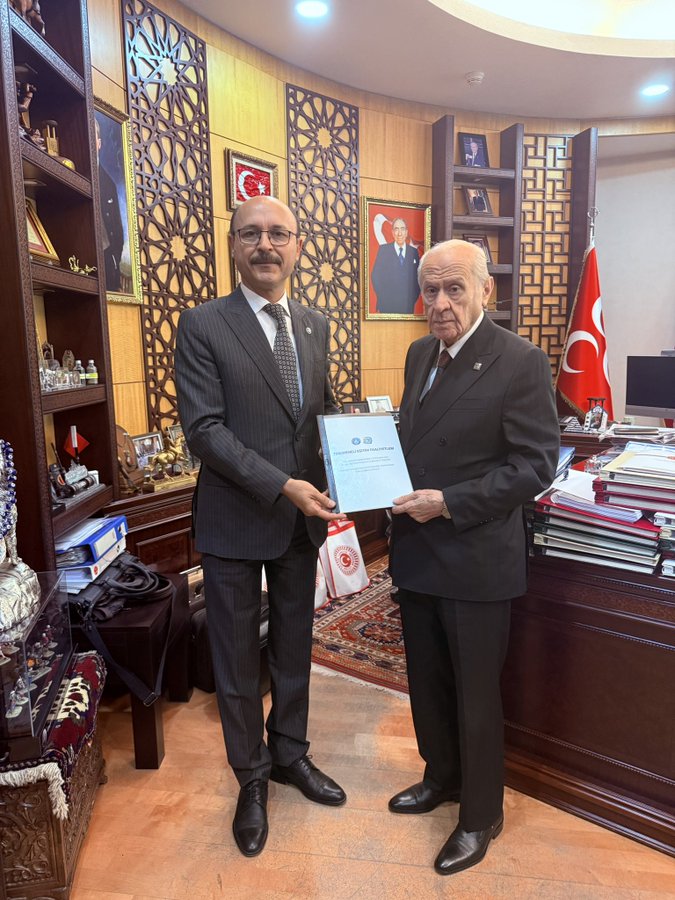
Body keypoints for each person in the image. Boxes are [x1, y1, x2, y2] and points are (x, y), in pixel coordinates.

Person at [174, 195, 347, 859]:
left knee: (294, 648)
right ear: (233, 247)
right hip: (236, 521)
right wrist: (283, 485)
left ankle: (290, 755)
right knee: (238, 657)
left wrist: (354, 463)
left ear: (297, 246)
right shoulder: (203, 325)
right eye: (251, 234)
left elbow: (321, 414)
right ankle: (250, 776)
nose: (265, 245)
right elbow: (205, 431)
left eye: (278, 233)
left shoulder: (314, 324)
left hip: (300, 524)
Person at [388, 238, 559, 876]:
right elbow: (413, 443)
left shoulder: (521, 361)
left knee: (475, 694)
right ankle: (441, 779)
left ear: (486, 290)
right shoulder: (416, 355)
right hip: (417, 553)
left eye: (454, 288)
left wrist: (451, 502)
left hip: (475, 555)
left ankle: (481, 813)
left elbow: (535, 465)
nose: (439, 303)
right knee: (428, 683)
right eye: (430, 289)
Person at [95, 118, 124, 292]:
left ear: (99, 143)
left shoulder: (108, 184)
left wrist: (114, 260)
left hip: (107, 257)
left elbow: (117, 231)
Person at [371, 217, 420, 314]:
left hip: (407, 307)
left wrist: (411, 299)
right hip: (387, 306)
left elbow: (418, 278)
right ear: (393, 232)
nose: (399, 233)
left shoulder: (413, 252)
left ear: (406, 232)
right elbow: (375, 276)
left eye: (402, 229)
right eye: (396, 229)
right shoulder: (384, 250)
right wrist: (384, 298)